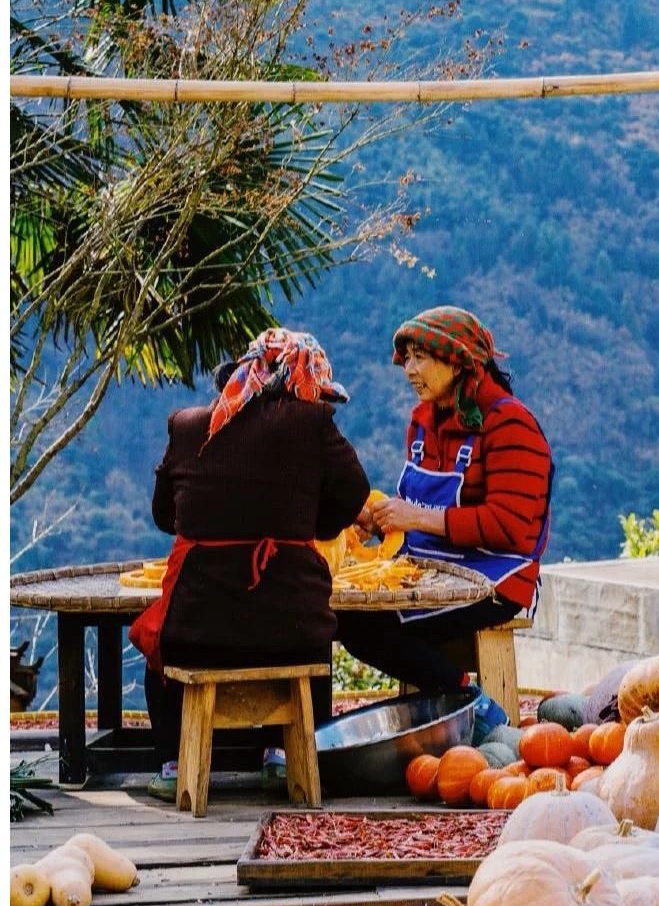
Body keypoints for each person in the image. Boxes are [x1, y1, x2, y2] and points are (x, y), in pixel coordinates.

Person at [130, 328, 370, 801]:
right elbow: (354, 494)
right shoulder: (315, 424)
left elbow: (164, 517)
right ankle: (285, 756)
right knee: (309, 651)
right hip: (293, 631)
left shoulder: (187, 426)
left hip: (196, 632)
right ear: (306, 384)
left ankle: (173, 762)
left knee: (162, 657)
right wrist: (307, 529)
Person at [335, 306, 553, 726]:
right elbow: (412, 512)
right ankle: (444, 708)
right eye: (408, 358)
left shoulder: (511, 425)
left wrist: (415, 517)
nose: (410, 370)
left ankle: (468, 702)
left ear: (458, 362)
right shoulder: (421, 421)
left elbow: (510, 527)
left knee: (364, 626)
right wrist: (380, 521)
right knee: (333, 612)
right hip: (426, 568)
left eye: (421, 358)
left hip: (495, 578)